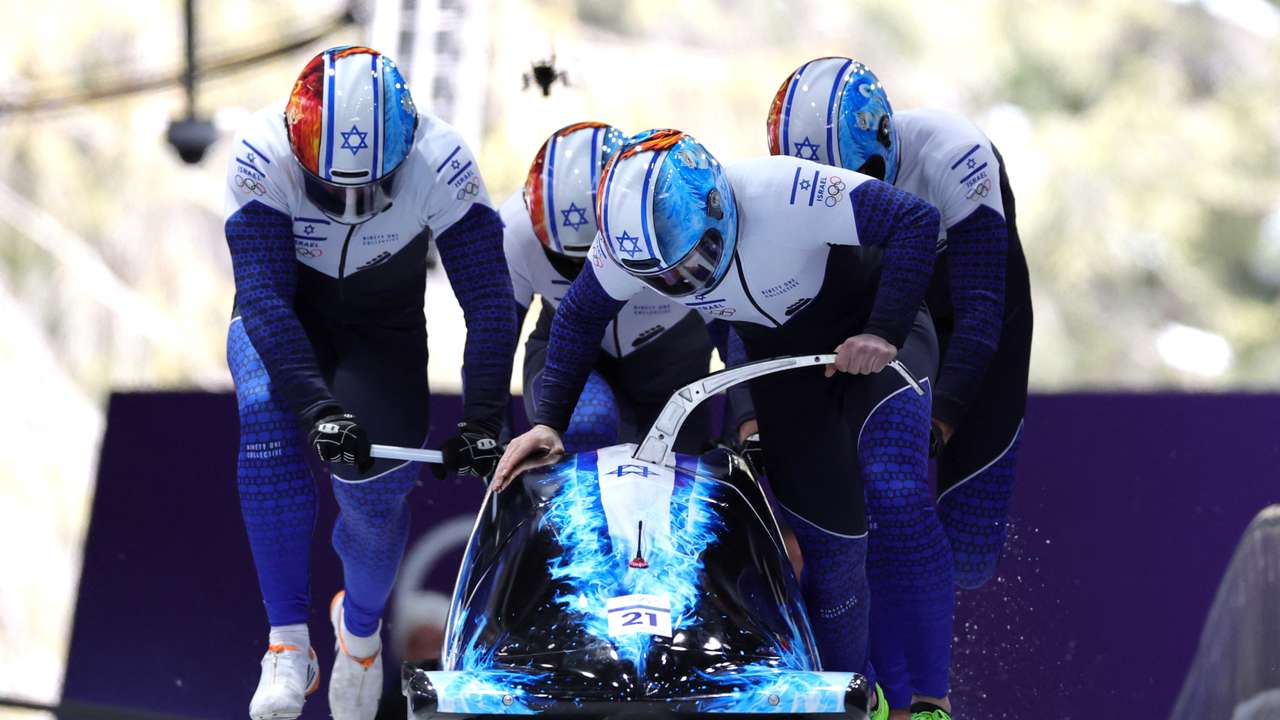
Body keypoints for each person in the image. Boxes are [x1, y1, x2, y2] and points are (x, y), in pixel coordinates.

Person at [494, 128, 941, 720]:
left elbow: (916, 221)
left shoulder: (783, 191)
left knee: (894, 491)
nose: (688, 282)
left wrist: (883, 328)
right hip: (789, 372)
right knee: (832, 561)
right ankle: (864, 704)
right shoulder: (628, 248)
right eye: (667, 278)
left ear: (718, 207)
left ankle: (934, 698)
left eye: (699, 258)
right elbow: (576, 320)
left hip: (876, 341)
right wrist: (548, 421)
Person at [224, 46, 517, 720]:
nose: (352, 204)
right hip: (288, 312)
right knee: (268, 423)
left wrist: (482, 417)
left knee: (374, 509)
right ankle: (287, 646)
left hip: (381, 333)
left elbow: (491, 304)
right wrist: (319, 407)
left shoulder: (444, 159)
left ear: (406, 153)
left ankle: (358, 634)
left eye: (373, 186)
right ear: (301, 157)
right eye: (330, 189)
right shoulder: (260, 151)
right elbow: (265, 301)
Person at [769, 57, 1034, 719]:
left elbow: (979, 316)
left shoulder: (954, 154)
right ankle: (906, 697)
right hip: (885, 306)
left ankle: (910, 670)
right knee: (886, 495)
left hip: (971, 307)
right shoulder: (788, 186)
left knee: (968, 553)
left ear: (884, 151)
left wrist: (944, 419)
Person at [502, 122, 718, 452]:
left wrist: (749, 422)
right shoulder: (513, 230)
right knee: (585, 423)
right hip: (572, 352)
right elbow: (495, 338)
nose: (585, 274)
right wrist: (489, 432)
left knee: (670, 479)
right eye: (565, 260)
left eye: (592, 255)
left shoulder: (676, 220)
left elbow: (733, 323)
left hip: (672, 359)